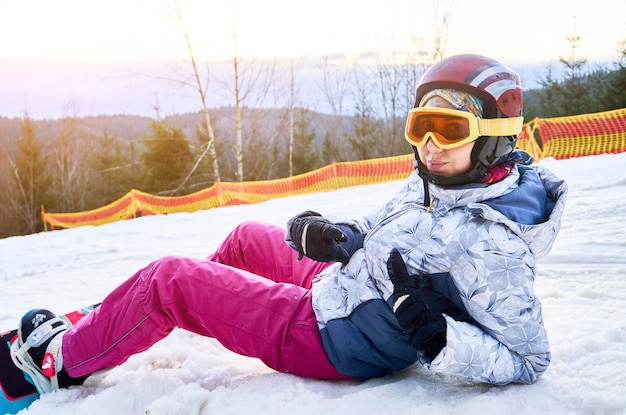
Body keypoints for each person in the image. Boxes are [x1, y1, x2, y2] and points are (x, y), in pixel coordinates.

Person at [11, 54, 567, 393]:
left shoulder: (495, 244)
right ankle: (120, 317)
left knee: (171, 280)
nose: (428, 144)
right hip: (343, 289)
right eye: (421, 125)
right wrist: (340, 235)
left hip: (333, 338)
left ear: (496, 137)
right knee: (247, 238)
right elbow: (382, 229)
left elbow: (528, 359)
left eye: (449, 130)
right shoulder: (440, 180)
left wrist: (441, 336)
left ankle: (59, 364)